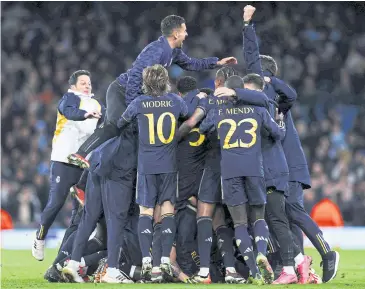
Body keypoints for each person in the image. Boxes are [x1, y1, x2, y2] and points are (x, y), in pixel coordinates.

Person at [242, 5, 339, 283]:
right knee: (282, 217)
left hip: (286, 169)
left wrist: (247, 26)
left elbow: (252, 58)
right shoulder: (275, 102)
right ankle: (300, 267)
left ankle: (326, 253)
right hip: (283, 167)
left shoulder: (270, 93)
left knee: (291, 214)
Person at [67, 15, 237, 169]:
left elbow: (191, 64)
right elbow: (135, 75)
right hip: (122, 91)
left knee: (129, 135)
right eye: (185, 31)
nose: (187, 35)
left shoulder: (173, 51)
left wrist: (217, 63)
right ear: (176, 34)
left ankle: (88, 174)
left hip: (131, 93)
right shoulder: (156, 50)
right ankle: (80, 155)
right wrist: (133, 103)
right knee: (115, 127)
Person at [198, 73, 285, 285]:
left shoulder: (219, 111)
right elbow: (278, 134)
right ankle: (261, 252)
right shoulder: (258, 110)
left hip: (230, 172)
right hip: (255, 169)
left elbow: (202, 128)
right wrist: (281, 124)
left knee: (240, 224)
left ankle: (254, 271)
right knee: (259, 218)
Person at [117, 64, 202, 280]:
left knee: (145, 212)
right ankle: (164, 259)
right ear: (165, 81)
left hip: (146, 166)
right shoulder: (174, 101)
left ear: (145, 82)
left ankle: (146, 259)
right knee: (167, 211)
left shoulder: (138, 103)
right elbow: (186, 115)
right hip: (168, 165)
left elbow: (121, 122)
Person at [32, 70, 105, 261]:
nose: (87, 85)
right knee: (56, 203)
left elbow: (108, 124)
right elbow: (69, 111)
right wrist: (85, 114)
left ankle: (63, 256)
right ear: (73, 85)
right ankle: (40, 238)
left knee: (80, 212)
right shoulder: (69, 97)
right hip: (64, 159)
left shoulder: (97, 104)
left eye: (89, 82)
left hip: (85, 163)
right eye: (83, 83)